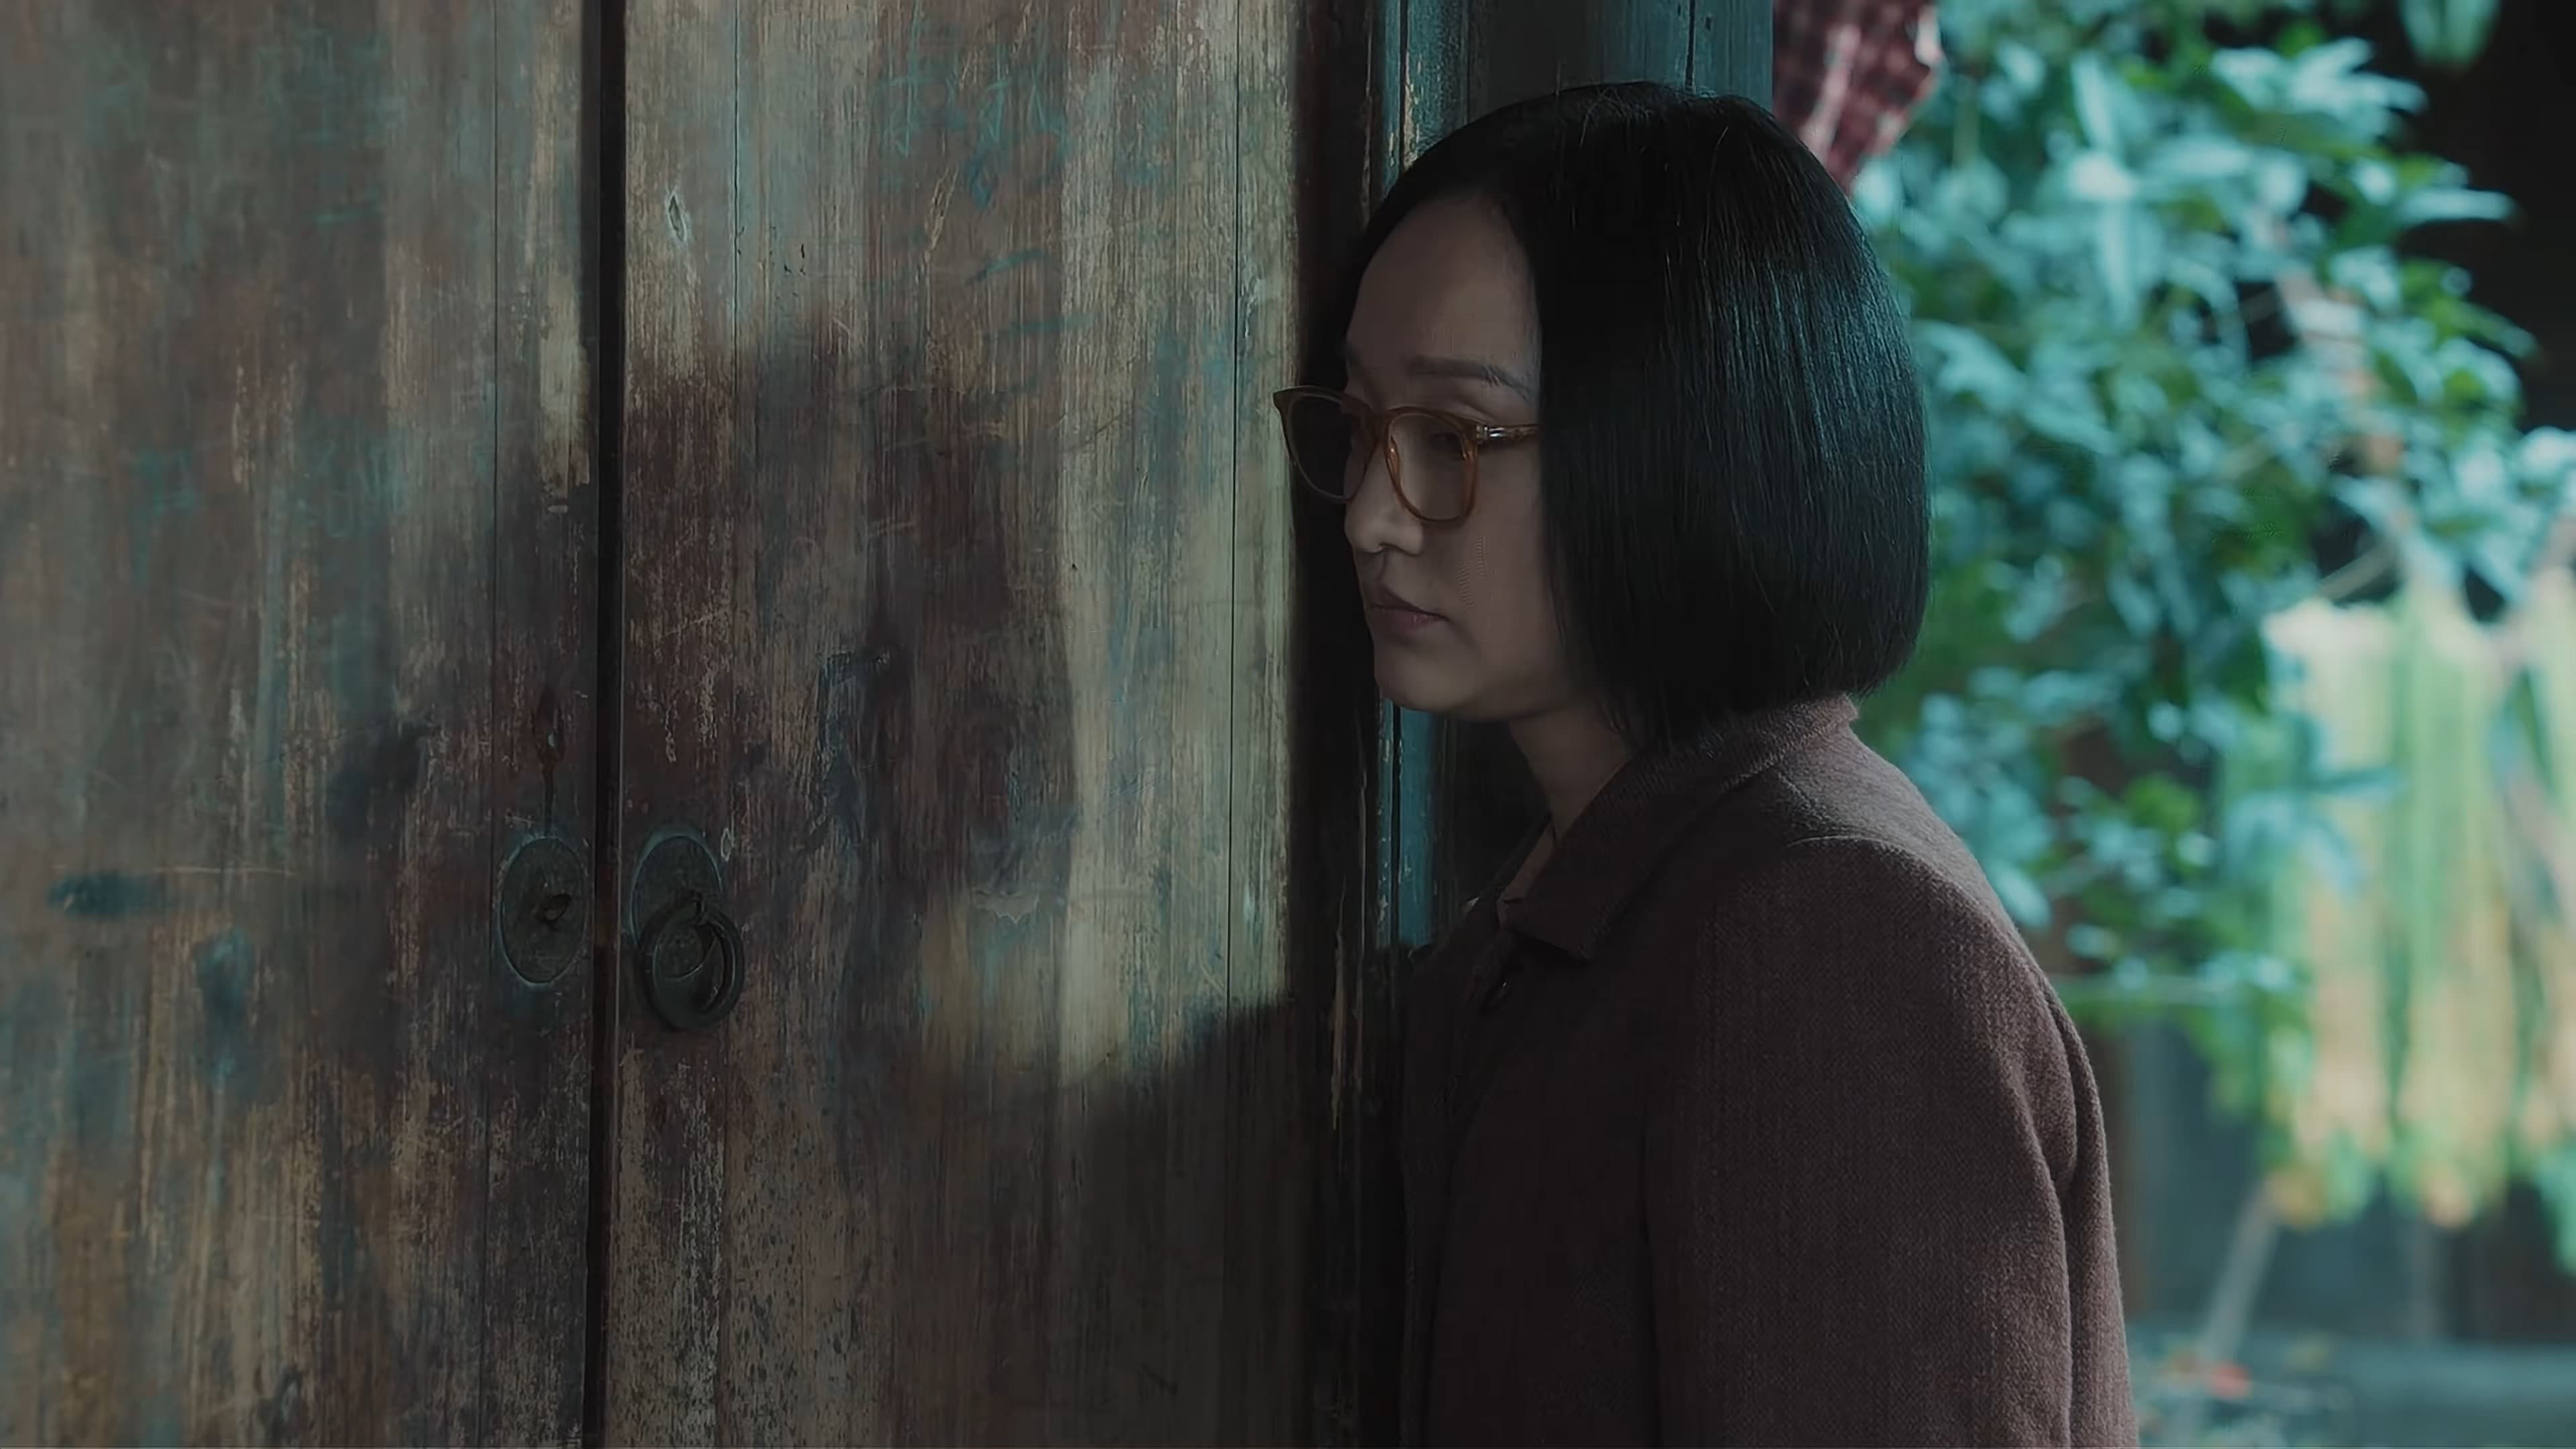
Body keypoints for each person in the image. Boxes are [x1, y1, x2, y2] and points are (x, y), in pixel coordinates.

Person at [1273, 83, 2139, 1447]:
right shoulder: (1598, 892)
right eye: (1362, 426)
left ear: (1676, 451)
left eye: (1451, 439)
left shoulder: (1833, 928)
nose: (1374, 514)